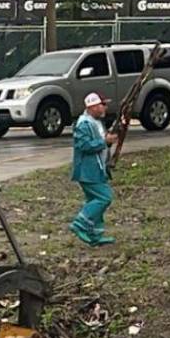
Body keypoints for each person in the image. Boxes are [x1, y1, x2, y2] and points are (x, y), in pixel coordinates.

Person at [70, 91, 118, 246]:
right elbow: (83, 145)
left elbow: (102, 142)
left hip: (98, 169)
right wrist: (104, 142)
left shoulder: (97, 122)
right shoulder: (84, 124)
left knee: (94, 200)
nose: (105, 108)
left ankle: (94, 235)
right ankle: (80, 222)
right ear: (93, 106)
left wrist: (109, 141)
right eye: (102, 105)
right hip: (88, 171)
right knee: (104, 197)